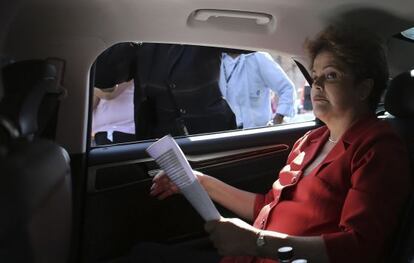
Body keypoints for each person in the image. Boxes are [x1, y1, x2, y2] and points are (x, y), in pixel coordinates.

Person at [147, 24, 412, 263]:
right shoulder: (311, 140)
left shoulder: (378, 148)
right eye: (315, 74)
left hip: (265, 255)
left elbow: (358, 248)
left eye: (330, 76)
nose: (316, 85)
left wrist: (256, 242)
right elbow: (268, 206)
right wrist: (199, 182)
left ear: (363, 88)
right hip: (250, 257)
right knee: (145, 251)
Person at [94, 43, 249, 140]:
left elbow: (248, 39)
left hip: (211, 136)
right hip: (160, 143)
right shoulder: (142, 38)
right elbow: (104, 75)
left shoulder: (202, 22)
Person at [219, 52, 296, 128]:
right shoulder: (216, 60)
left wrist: (277, 121)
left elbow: (287, 89)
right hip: (228, 134)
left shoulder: (258, 57)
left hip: (258, 134)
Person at [92, 79, 136, 145]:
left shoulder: (127, 74)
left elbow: (109, 95)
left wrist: (89, 86)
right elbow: (90, 106)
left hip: (124, 132)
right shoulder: (97, 81)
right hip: (100, 134)